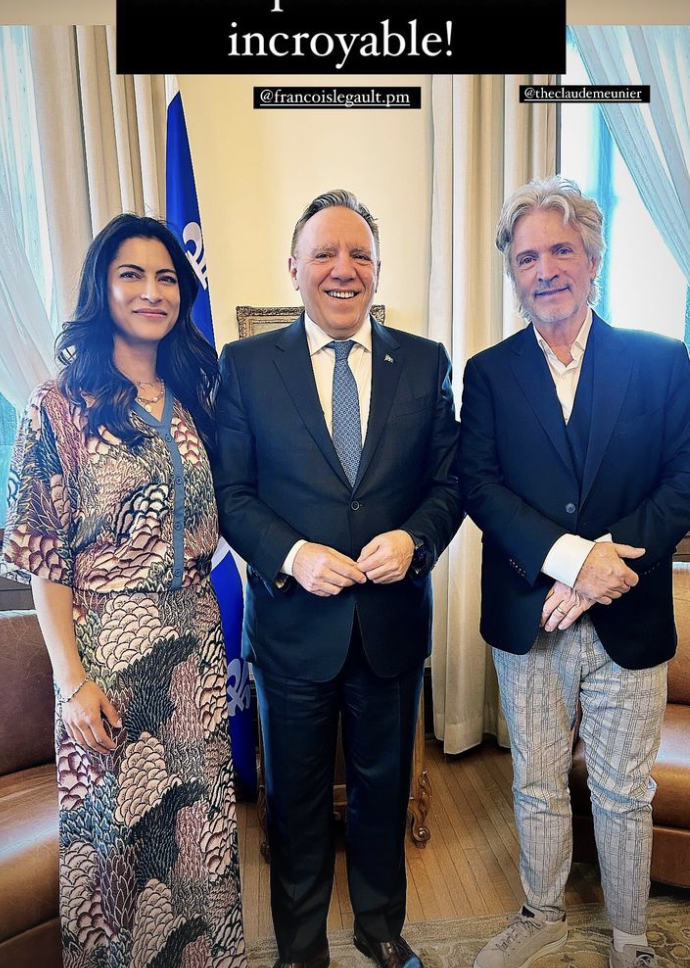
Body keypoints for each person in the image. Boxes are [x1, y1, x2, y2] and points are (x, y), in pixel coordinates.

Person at [213, 189, 462, 968]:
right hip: (291, 630)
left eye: (359, 255)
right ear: (295, 269)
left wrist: (415, 540)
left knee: (384, 792)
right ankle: (299, 948)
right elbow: (231, 495)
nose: (342, 269)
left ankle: (382, 930)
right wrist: (291, 555)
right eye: (324, 253)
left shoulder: (423, 362)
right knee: (294, 801)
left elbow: (450, 485)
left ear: (376, 271)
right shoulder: (247, 364)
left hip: (390, 625)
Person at [3, 214, 247, 968]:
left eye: (167, 277)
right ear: (101, 289)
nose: (151, 291)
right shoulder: (60, 405)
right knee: (115, 859)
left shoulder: (196, 391)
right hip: (106, 658)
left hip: (197, 657)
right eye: (131, 275)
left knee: (197, 851)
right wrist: (71, 682)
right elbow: (46, 558)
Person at [459, 176, 690, 968]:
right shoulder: (487, 374)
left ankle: (630, 938)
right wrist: (569, 561)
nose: (546, 269)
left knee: (628, 791)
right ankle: (542, 914)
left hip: (630, 614)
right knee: (537, 780)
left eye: (562, 250)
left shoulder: (661, 362)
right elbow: (480, 486)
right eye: (528, 257)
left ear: (593, 260)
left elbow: (684, 481)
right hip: (529, 615)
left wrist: (603, 569)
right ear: (514, 273)